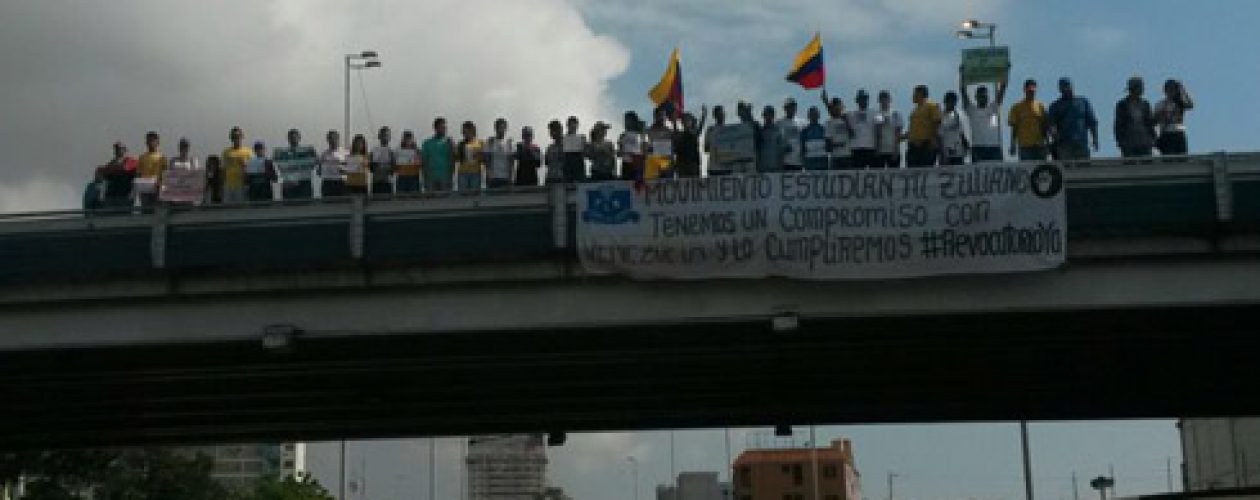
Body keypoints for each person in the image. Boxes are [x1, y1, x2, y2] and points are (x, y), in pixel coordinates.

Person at [961, 67, 1008, 162]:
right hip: (978, 148)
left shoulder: (993, 108)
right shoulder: (971, 110)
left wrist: (1005, 72)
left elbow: (1003, 88)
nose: (983, 97)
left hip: (994, 147)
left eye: (984, 95)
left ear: (988, 96)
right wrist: (962, 74)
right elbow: (963, 91)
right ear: (976, 97)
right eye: (980, 95)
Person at [1048, 77, 1099, 161]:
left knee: (1083, 169)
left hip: (1081, 143)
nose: (1067, 90)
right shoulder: (1055, 106)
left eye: (1068, 87)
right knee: (1066, 171)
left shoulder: (1083, 102)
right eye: (1064, 88)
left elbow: (1092, 122)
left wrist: (1095, 139)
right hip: (1064, 145)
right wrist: (1056, 137)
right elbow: (1051, 125)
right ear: (1060, 90)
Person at [1114, 76, 1157, 158]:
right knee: (1131, 166)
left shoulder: (1145, 104)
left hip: (1144, 141)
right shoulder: (1122, 105)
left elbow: (1149, 123)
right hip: (1129, 142)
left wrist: (1153, 138)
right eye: (1140, 87)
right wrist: (1120, 141)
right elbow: (1118, 124)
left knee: (1146, 166)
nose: (1142, 89)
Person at [1008, 79, 1049, 161]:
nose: (1031, 93)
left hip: (1039, 145)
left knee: (1041, 170)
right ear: (1024, 90)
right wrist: (1013, 144)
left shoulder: (1041, 106)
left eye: (1033, 91)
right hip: (1025, 146)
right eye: (1029, 91)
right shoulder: (1016, 107)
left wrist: (1048, 143)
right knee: (1027, 171)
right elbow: (1014, 127)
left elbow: (1045, 126)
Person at [904, 85, 942, 168]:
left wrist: (933, 140)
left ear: (921, 94)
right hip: (913, 146)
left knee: (925, 169)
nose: (913, 96)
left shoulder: (932, 106)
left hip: (926, 145)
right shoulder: (915, 111)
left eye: (915, 93)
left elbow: (937, 123)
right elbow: (913, 128)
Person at [1154, 79, 1194, 156]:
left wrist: (1182, 89)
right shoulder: (1160, 104)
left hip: (1179, 132)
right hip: (1166, 133)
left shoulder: (1180, 103)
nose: (1171, 91)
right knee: (1168, 158)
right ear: (1165, 91)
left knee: (1182, 158)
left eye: (1173, 89)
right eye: (1169, 89)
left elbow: (1190, 105)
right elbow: (1155, 121)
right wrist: (1162, 115)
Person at [274, 129, 317, 200]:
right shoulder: (281, 152)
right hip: (288, 184)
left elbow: (315, 164)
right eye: (291, 138)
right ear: (288, 139)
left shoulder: (308, 151)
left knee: (306, 207)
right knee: (288, 208)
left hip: (304, 183)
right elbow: (275, 166)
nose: (293, 139)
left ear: (299, 138)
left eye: (295, 137)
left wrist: (314, 155)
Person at [98, 141, 137, 209]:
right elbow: (104, 174)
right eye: (116, 149)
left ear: (125, 150)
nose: (118, 150)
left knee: (124, 216)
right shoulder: (111, 163)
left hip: (125, 195)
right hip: (110, 195)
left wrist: (113, 169)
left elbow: (125, 169)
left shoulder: (131, 161)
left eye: (120, 148)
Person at [420, 118, 455, 193]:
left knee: (445, 201)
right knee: (431, 201)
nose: (444, 129)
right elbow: (424, 161)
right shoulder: (427, 143)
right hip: (431, 177)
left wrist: (451, 175)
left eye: (445, 127)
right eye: (442, 127)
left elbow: (453, 159)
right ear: (435, 128)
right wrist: (424, 177)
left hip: (445, 177)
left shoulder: (449, 142)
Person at [165, 137, 202, 206]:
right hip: (176, 194)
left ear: (188, 148)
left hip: (189, 193)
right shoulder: (173, 161)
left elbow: (197, 177)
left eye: (185, 146)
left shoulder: (193, 161)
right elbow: (169, 177)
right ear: (179, 148)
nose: (183, 148)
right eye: (182, 146)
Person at [820, 92, 852, 170]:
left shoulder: (848, 118)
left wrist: (847, 123)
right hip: (835, 157)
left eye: (838, 106)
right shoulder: (829, 123)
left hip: (848, 155)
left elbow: (852, 134)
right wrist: (837, 145)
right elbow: (828, 145)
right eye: (834, 106)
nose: (837, 108)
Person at [220, 127, 253, 204]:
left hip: (241, 186)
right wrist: (222, 186)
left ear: (242, 137)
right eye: (234, 136)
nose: (236, 138)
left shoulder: (248, 152)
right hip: (228, 185)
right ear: (231, 138)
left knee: (240, 209)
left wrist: (245, 165)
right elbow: (223, 170)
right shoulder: (226, 152)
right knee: (227, 209)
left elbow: (252, 170)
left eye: (238, 136)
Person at [846, 90, 878, 169]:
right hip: (856, 148)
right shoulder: (850, 114)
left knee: (873, 174)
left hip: (871, 147)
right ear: (856, 100)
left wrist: (878, 146)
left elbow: (879, 129)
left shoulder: (876, 113)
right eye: (861, 99)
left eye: (864, 98)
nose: (863, 101)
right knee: (857, 174)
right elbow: (836, 113)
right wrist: (826, 102)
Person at [135, 131, 166, 209]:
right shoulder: (142, 157)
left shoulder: (162, 157)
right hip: (145, 189)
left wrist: (161, 183)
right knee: (145, 209)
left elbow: (165, 173)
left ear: (157, 142)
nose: (150, 143)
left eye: (152, 140)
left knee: (157, 209)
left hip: (157, 188)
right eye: (148, 141)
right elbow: (138, 173)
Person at [673, 107, 707, 178]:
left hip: (693, 163)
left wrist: (703, 115)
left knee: (694, 184)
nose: (686, 122)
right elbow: (675, 131)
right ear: (682, 122)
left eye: (688, 120)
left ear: (691, 121)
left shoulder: (694, 133)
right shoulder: (679, 134)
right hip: (682, 164)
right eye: (684, 120)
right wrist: (675, 120)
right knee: (682, 184)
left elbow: (700, 128)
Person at [874, 91, 904, 168]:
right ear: (879, 100)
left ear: (889, 99)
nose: (884, 101)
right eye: (882, 99)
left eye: (886, 98)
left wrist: (896, 150)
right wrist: (877, 149)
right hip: (881, 150)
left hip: (893, 150)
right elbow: (878, 132)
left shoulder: (896, 113)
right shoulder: (877, 114)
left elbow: (898, 133)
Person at [646, 105, 676, 179]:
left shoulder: (669, 132)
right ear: (655, 116)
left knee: (669, 187)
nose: (662, 118)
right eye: (659, 115)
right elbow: (646, 148)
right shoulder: (648, 132)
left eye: (663, 115)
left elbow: (673, 147)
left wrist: (674, 123)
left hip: (667, 165)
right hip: (654, 165)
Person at [939, 92, 969, 166]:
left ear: (955, 102)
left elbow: (963, 133)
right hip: (945, 151)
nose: (950, 103)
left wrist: (967, 147)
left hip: (958, 151)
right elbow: (939, 136)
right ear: (945, 101)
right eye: (948, 100)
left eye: (953, 101)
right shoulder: (940, 116)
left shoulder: (960, 115)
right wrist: (941, 152)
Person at [484, 118, 515, 189]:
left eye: (503, 127)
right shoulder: (490, 141)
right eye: (498, 127)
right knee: (491, 199)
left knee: (505, 199)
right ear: (495, 128)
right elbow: (487, 160)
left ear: (506, 128)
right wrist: (488, 175)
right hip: (493, 177)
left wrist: (511, 177)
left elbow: (511, 161)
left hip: (506, 177)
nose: (501, 130)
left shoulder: (509, 142)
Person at [455, 121, 485, 192]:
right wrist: (455, 150)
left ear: (472, 130)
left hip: (475, 173)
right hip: (463, 173)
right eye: (463, 131)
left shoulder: (480, 143)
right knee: (463, 194)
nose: (464, 133)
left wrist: (478, 155)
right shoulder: (461, 144)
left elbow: (484, 159)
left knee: (474, 194)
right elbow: (457, 158)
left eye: (466, 131)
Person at [756, 105, 787, 173]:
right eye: (766, 114)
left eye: (770, 114)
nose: (768, 116)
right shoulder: (759, 132)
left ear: (773, 115)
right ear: (763, 116)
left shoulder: (779, 130)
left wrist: (781, 165)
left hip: (777, 168)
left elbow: (783, 150)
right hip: (763, 169)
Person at [317, 130, 347, 198]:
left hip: (341, 182)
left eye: (334, 138)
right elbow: (319, 171)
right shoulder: (324, 154)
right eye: (330, 138)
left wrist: (344, 170)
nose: (332, 140)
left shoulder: (346, 153)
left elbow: (350, 169)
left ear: (338, 138)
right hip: (327, 182)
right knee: (327, 205)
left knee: (342, 205)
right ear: (327, 140)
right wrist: (320, 170)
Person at [618, 112, 647, 180]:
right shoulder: (622, 135)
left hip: (637, 164)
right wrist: (621, 153)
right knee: (626, 184)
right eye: (625, 120)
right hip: (626, 164)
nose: (625, 122)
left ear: (633, 121)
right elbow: (620, 151)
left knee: (637, 185)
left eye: (627, 120)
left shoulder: (641, 134)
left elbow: (644, 148)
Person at [777, 98, 805, 171]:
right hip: (784, 161)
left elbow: (804, 140)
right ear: (785, 108)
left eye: (793, 107)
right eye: (788, 107)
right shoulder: (779, 123)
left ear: (795, 108)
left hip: (798, 161)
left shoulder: (802, 122)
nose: (791, 109)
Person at [369, 126, 395, 196]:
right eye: (383, 135)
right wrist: (375, 165)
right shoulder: (373, 150)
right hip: (376, 181)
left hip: (388, 182)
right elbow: (370, 168)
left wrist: (387, 166)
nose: (385, 137)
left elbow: (394, 168)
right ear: (379, 136)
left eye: (387, 135)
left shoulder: (392, 151)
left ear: (390, 137)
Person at [801, 106, 829, 171]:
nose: (814, 116)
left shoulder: (824, 128)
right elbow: (803, 147)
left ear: (819, 116)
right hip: (810, 160)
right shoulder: (805, 130)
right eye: (812, 115)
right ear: (808, 116)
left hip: (822, 159)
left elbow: (828, 143)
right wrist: (803, 160)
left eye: (816, 114)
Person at [562, 116, 588, 183]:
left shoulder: (581, 137)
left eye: (574, 124)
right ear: (567, 125)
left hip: (578, 162)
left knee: (580, 183)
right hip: (567, 162)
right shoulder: (563, 138)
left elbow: (585, 153)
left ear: (577, 126)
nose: (573, 126)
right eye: (570, 124)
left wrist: (584, 144)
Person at [544, 120, 566, 185]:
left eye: (553, 130)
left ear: (560, 130)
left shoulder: (568, 145)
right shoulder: (550, 148)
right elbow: (547, 163)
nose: (551, 133)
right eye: (550, 130)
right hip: (551, 179)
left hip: (563, 179)